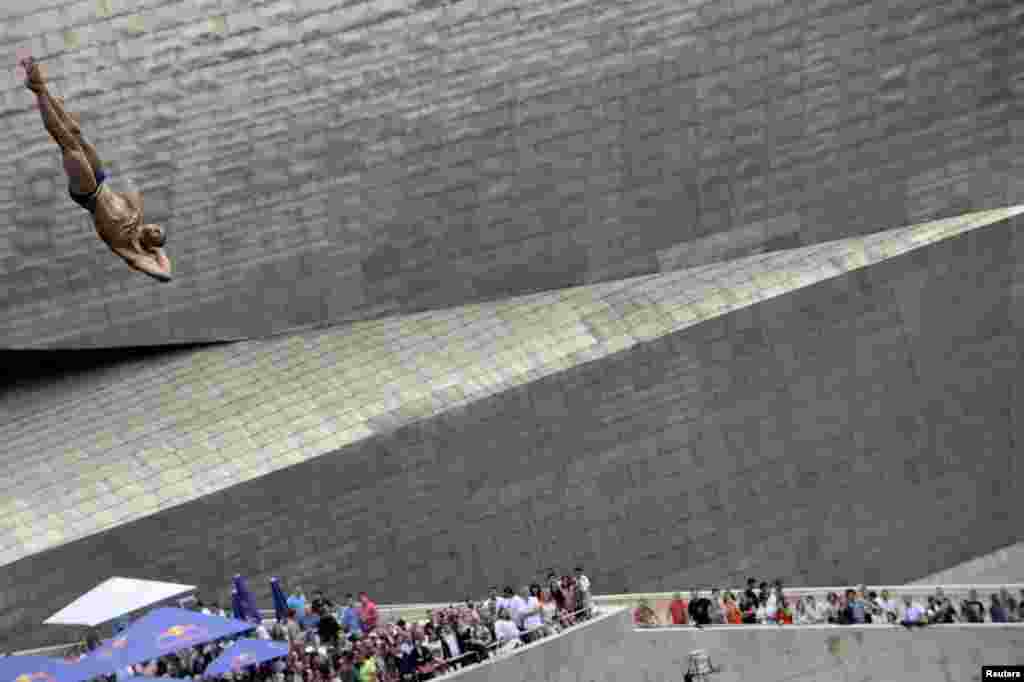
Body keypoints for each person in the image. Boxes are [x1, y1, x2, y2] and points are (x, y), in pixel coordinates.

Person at [19, 56, 172, 282]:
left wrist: (157, 252)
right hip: (101, 179)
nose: (155, 227)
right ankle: (45, 92)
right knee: (76, 133)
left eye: (157, 234)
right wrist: (137, 209)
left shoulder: (128, 248)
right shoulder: (135, 214)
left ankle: (39, 91)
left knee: (67, 143)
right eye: (158, 227)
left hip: (89, 194)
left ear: (152, 244)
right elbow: (131, 184)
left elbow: (165, 275)